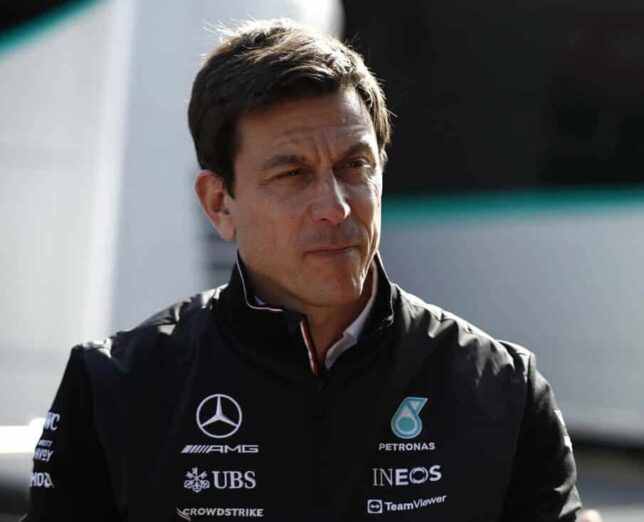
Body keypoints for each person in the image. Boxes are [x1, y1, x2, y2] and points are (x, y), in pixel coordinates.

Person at [25, 19, 581, 521]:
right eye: (292, 175)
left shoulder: (502, 389)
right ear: (219, 204)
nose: (335, 207)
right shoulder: (115, 388)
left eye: (354, 165)